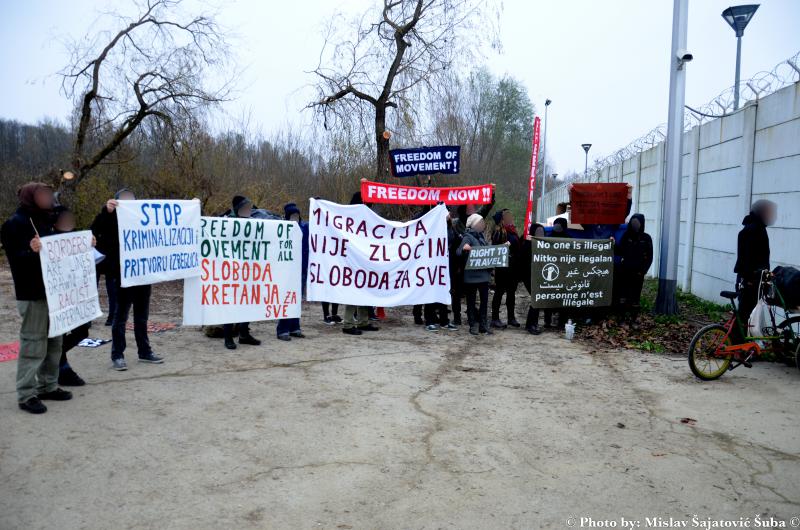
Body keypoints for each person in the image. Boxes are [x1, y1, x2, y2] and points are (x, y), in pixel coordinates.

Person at [1, 183, 73, 413]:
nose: (48, 198)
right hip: (32, 293)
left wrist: (83, 242)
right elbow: (15, 259)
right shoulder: (15, 224)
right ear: (30, 198)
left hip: (54, 291)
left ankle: (48, 385)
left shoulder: (49, 219)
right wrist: (30, 250)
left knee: (55, 342)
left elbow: (64, 245)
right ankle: (26, 394)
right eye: (42, 195)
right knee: (34, 343)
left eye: (49, 195)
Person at [91, 189, 165, 369]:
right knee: (120, 317)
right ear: (116, 202)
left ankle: (145, 351)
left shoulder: (143, 218)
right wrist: (106, 212)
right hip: (121, 275)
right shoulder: (109, 218)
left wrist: (193, 207)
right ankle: (117, 355)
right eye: (123, 199)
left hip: (143, 274)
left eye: (131, 198)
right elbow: (95, 233)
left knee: (142, 317)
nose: (128, 201)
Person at [219, 195, 263, 350]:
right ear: (238, 210)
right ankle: (228, 337)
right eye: (245, 208)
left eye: (249, 208)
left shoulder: (252, 223)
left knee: (249, 303)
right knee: (231, 305)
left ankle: (244, 334)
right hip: (231, 271)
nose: (249, 210)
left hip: (249, 270)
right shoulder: (226, 222)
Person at [52, 206, 89, 386]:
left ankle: (53, 358)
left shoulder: (77, 238)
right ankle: (61, 368)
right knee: (57, 333)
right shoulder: (46, 237)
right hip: (56, 295)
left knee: (82, 330)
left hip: (77, 294)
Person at [733, 199, 776, 339]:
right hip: (752, 279)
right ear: (762, 213)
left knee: (744, 313)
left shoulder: (749, 228)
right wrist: (754, 276)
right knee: (747, 313)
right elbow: (750, 257)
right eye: (769, 212)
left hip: (747, 278)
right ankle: (738, 346)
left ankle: (737, 344)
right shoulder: (756, 230)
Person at [342, 191, 379, 336]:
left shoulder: (368, 217)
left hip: (365, 258)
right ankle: (348, 323)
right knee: (354, 290)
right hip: (353, 259)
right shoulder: (351, 217)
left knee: (365, 290)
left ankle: (363, 321)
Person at [276, 202, 308, 341]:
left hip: (301, 268)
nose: (295, 217)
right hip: (287, 269)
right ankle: (282, 329)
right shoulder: (282, 229)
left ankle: (295, 327)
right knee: (286, 298)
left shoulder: (303, 228)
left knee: (297, 300)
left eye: (297, 215)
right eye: (292, 215)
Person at [457, 213, 493, 336]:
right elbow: (458, 251)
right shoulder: (468, 237)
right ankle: (473, 324)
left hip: (483, 275)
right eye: (480, 222)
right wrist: (464, 248)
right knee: (471, 302)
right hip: (471, 277)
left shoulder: (482, 238)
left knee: (484, 302)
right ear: (473, 224)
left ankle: (483, 324)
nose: (483, 224)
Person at [615, 213, 653, 313]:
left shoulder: (646, 238)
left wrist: (643, 271)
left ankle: (634, 319)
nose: (635, 225)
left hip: (638, 273)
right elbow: (619, 251)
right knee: (622, 295)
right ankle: (622, 318)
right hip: (624, 271)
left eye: (637, 223)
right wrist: (612, 244)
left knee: (635, 296)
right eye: (633, 222)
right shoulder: (626, 236)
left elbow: (650, 257)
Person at [490, 209, 521, 329]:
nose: (510, 218)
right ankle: (495, 318)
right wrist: (504, 246)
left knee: (511, 293)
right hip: (503, 267)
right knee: (499, 291)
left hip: (513, 267)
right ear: (502, 220)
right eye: (507, 217)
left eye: (510, 215)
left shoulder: (512, 231)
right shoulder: (499, 232)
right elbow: (495, 249)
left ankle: (511, 317)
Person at [522, 223, 553, 335]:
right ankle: (531, 325)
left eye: (542, 232)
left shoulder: (544, 244)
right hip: (529, 276)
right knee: (537, 299)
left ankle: (531, 324)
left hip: (539, 276)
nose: (541, 234)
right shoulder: (527, 244)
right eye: (538, 232)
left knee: (537, 299)